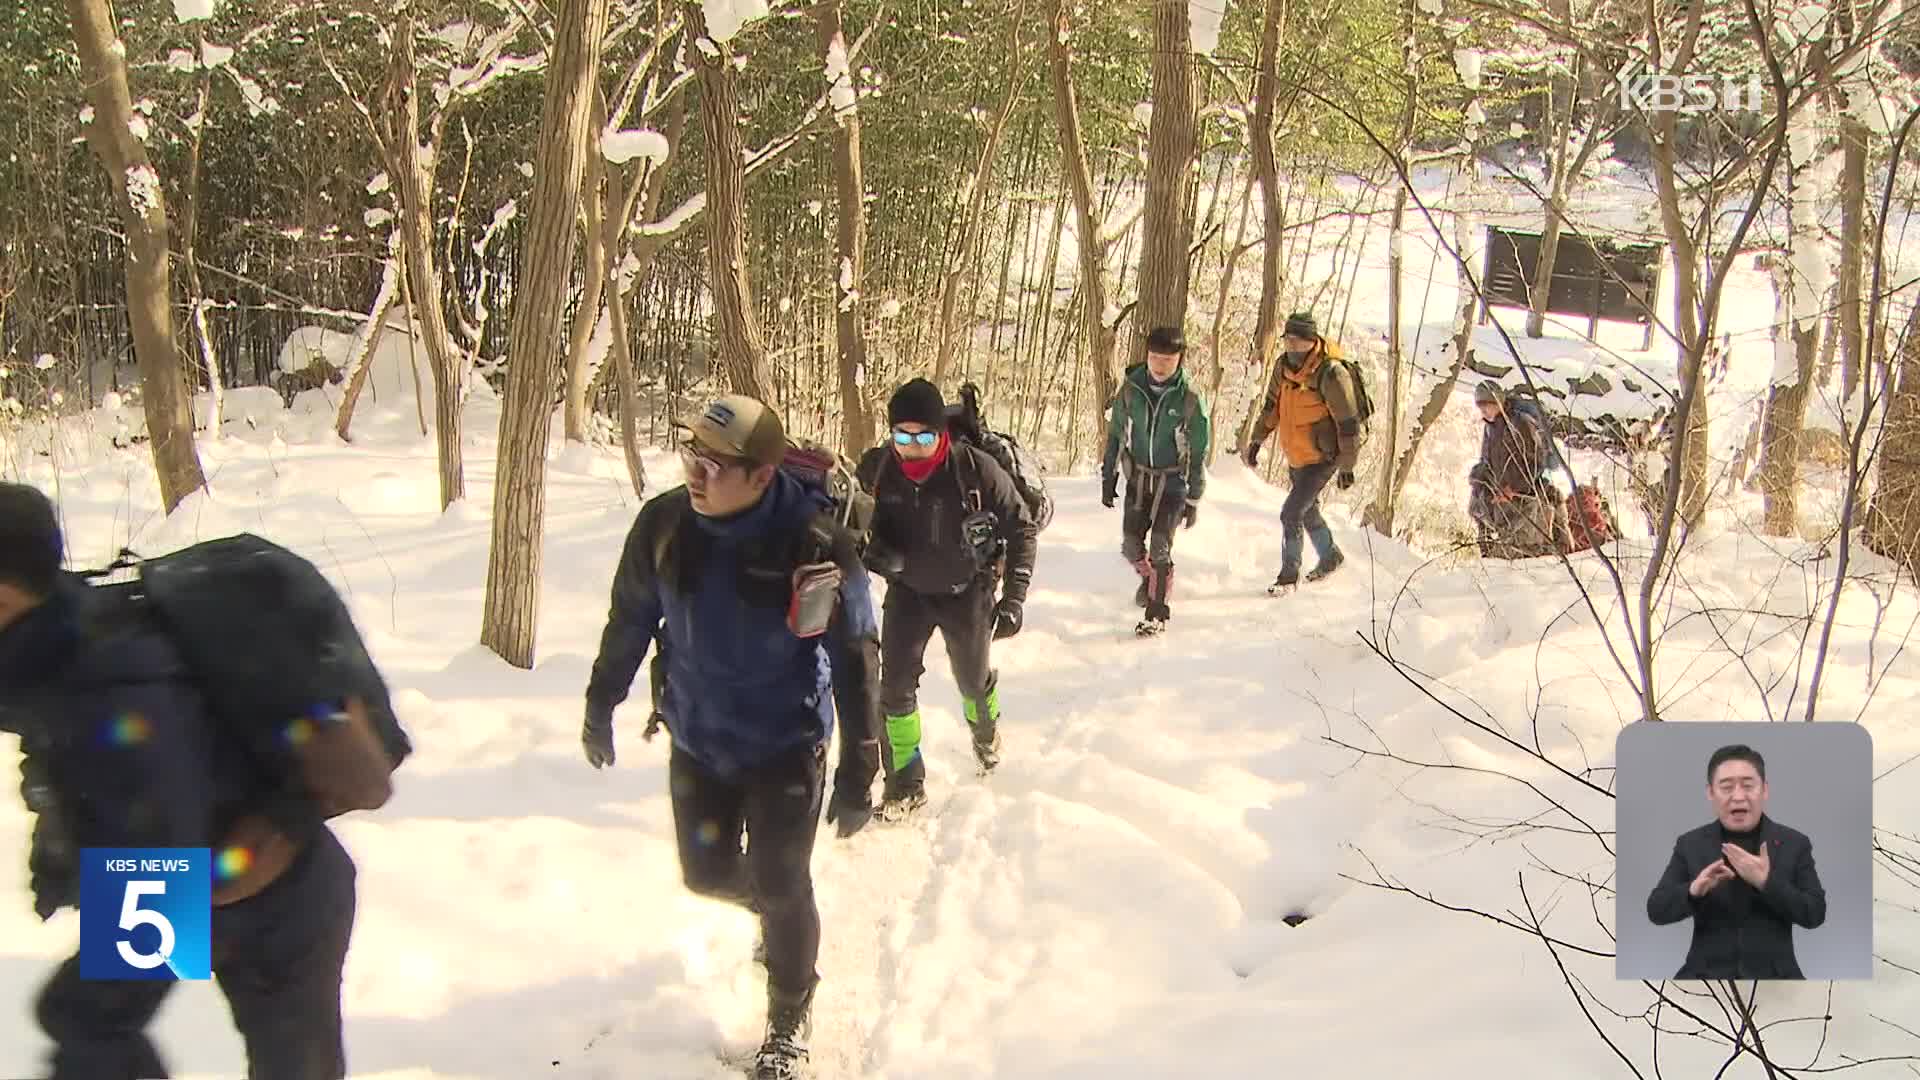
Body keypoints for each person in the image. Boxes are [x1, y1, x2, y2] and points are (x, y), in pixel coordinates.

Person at [0, 482, 366, 1080]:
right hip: (223, 875)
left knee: (92, 1023)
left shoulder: (109, 681)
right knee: (89, 1022)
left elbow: (162, 855)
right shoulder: (53, 640)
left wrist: (109, 989)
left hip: (281, 890)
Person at [581, 394, 883, 1080]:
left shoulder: (814, 541)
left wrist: (863, 764)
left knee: (780, 876)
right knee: (706, 874)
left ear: (761, 474)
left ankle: (789, 1012)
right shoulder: (664, 527)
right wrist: (602, 701)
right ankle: (783, 922)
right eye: (691, 454)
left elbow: (858, 652)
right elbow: (630, 618)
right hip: (699, 738)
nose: (696, 472)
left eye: (716, 464)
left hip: (786, 742)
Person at [856, 378, 1037, 819]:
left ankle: (985, 733)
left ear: (941, 434)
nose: (912, 447)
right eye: (902, 436)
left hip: (967, 593)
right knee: (894, 690)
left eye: (924, 436)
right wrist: (869, 552)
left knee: (972, 682)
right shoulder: (879, 471)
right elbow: (848, 523)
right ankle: (905, 784)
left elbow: (1022, 528)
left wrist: (1013, 597)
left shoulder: (975, 470)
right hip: (908, 595)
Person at [1646, 744, 1827, 980]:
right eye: (1727, 787)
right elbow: (1656, 910)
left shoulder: (1794, 843)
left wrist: (1766, 883)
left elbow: (1815, 913)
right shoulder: (1690, 844)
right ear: (1711, 792)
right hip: (1704, 979)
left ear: (1765, 790)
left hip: (1776, 980)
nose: (1738, 796)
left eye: (1748, 786)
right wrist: (1693, 890)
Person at [1100, 325, 1212, 635]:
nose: (1159, 366)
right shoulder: (1131, 390)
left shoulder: (1188, 399)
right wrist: (1108, 474)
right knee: (1131, 545)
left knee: (1161, 544)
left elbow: (1198, 449)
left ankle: (1157, 612)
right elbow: (1116, 433)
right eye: (1154, 358)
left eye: (1167, 360)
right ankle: (1152, 579)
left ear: (1179, 360)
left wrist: (1194, 498)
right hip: (1138, 479)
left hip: (1172, 483)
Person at [1241, 311, 1357, 593]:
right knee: (1306, 511)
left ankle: (1288, 577)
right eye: (1287, 341)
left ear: (1311, 341)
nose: (1291, 347)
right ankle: (1330, 555)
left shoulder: (1331, 374)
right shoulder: (1283, 368)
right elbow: (1271, 407)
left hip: (1323, 457)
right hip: (1297, 455)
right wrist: (1257, 441)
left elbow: (1348, 423)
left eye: (1297, 342)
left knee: (1291, 513)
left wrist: (1347, 466)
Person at [1467, 380, 1559, 558]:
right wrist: (1478, 478)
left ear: (1499, 401)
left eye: (1488, 404)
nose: (1484, 410)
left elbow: (1535, 462)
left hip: (1526, 496)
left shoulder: (1521, 423)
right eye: (1481, 406)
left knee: (1524, 552)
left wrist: (1514, 488)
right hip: (1503, 497)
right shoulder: (1490, 428)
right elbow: (1487, 462)